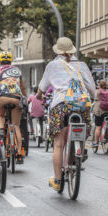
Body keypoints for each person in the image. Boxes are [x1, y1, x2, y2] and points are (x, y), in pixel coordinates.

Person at [36, 37, 95, 191]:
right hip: (81, 105)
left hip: (60, 105)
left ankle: (57, 180)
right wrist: (92, 97)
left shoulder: (52, 65)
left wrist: (39, 96)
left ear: (58, 50)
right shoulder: (82, 65)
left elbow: (42, 87)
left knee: (59, 144)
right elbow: (92, 88)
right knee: (83, 130)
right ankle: (78, 153)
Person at [0, 51, 27, 163]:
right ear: (10, 61)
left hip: (2, 97)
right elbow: (22, 87)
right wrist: (25, 98)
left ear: (0, 61)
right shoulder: (17, 70)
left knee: (0, 115)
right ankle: (19, 154)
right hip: (16, 97)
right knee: (16, 125)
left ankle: (1, 130)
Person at [92, 80, 108, 147]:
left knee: (98, 127)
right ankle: (106, 137)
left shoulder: (98, 92)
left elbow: (93, 98)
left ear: (99, 86)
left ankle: (96, 142)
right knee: (106, 123)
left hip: (100, 112)